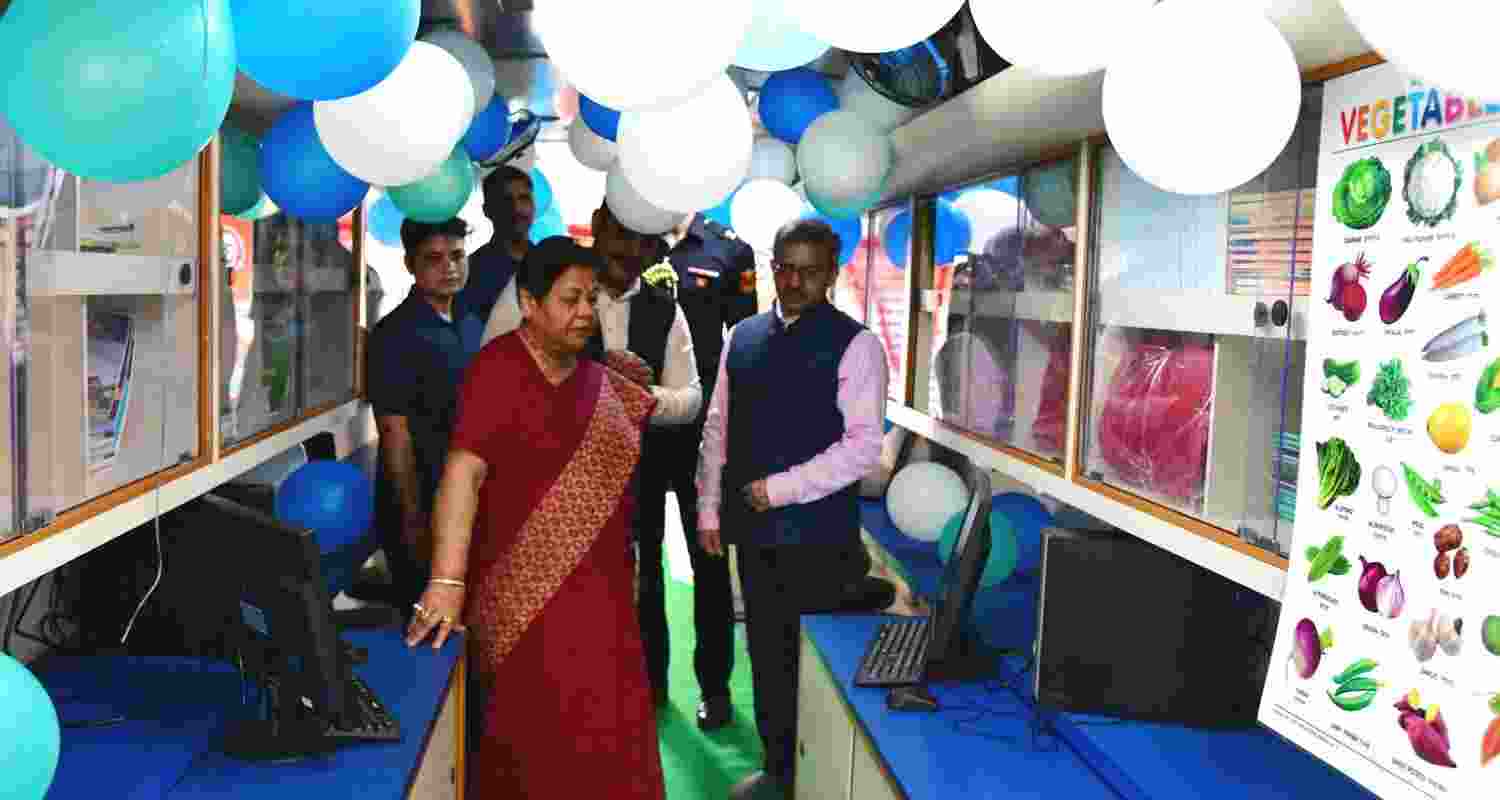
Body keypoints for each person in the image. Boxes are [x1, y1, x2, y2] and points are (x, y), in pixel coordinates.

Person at [404, 236, 665, 799]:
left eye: (591, 300)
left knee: (607, 744)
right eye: (571, 299)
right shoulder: (495, 372)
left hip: (604, 603)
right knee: (531, 746)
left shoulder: (600, 382)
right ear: (529, 303)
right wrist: (447, 583)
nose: (585, 313)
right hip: (523, 602)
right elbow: (462, 476)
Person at [697, 219, 915, 800]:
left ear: (832, 273)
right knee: (765, 657)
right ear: (772, 267)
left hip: (820, 538)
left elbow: (862, 447)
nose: (794, 282)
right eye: (784, 268)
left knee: (812, 667)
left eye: (809, 271)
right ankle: (777, 771)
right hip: (752, 534)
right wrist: (709, 508)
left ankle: (810, 781)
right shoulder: (740, 337)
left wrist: (780, 488)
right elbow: (717, 426)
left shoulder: (858, 345)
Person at [592, 205, 741, 727]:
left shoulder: (726, 250)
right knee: (644, 569)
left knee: (710, 565)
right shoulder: (583, 289)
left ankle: (716, 687)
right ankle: (650, 683)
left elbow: (716, 374)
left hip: (698, 442)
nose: (631, 249)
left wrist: (640, 396)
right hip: (628, 459)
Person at [365, 218, 484, 612]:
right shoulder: (394, 335)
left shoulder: (471, 321)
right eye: (434, 259)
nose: (449, 267)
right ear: (410, 265)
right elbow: (395, 438)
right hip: (419, 504)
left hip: (465, 498)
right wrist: (414, 527)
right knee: (426, 630)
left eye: (457, 256)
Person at [461, 165, 534, 333]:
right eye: (506, 200)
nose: (516, 209)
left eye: (523, 198)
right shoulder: (471, 271)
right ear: (487, 210)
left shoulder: (551, 262)